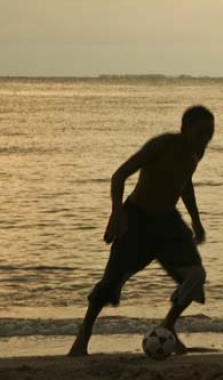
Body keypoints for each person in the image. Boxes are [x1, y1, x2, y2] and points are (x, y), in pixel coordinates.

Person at [68, 106, 215, 357]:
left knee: (195, 276)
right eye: (200, 132)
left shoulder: (197, 152)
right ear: (184, 129)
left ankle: (168, 325)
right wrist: (116, 214)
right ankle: (82, 338)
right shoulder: (161, 145)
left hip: (168, 221)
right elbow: (119, 176)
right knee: (110, 283)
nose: (205, 139)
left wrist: (196, 221)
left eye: (210, 133)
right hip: (136, 219)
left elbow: (185, 183)